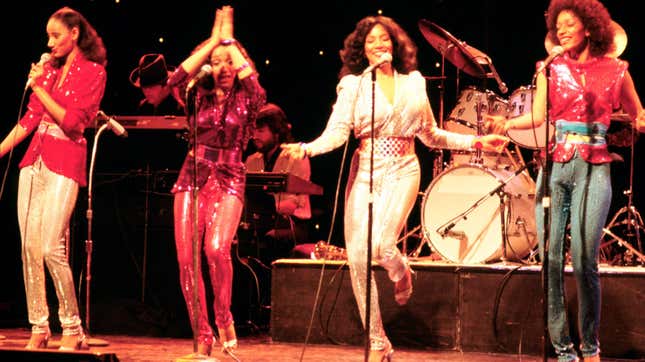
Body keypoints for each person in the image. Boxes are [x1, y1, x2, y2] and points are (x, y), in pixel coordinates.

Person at [281, 15, 508, 361]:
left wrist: (478, 142)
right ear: (362, 49)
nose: (379, 45)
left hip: (403, 168)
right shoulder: (353, 86)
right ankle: (377, 343)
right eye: (371, 41)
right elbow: (338, 133)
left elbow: (431, 136)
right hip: (366, 172)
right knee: (358, 258)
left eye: (384, 40)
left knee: (384, 245)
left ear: (395, 45)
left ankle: (402, 272)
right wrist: (307, 148)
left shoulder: (414, 83)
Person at [486, 1, 645, 360]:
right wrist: (508, 124)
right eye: (558, 26)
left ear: (590, 28)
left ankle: (590, 346)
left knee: (587, 257)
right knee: (552, 259)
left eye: (570, 24)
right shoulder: (550, 68)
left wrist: (639, 122)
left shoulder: (617, 70)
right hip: (555, 167)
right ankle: (563, 349)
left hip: (595, 167)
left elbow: (637, 113)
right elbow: (539, 114)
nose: (563, 31)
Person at [0, 7, 107, 350]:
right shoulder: (50, 71)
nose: (50, 43)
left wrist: (39, 84)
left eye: (56, 35)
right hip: (35, 160)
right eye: (48, 36)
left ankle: (72, 327)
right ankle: (39, 325)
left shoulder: (93, 72)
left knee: (50, 247)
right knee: (29, 248)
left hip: (65, 158)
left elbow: (73, 122)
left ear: (75, 33)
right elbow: (31, 119)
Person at [166, 5, 265, 357]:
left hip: (230, 178)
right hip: (192, 176)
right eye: (217, 62)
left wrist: (228, 36)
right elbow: (174, 79)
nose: (224, 68)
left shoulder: (250, 97)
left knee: (216, 249)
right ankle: (203, 337)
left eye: (229, 61)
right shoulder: (195, 94)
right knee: (186, 259)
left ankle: (224, 317)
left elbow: (250, 76)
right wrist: (212, 42)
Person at [244, 102, 312, 262]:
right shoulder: (251, 160)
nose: (255, 136)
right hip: (259, 222)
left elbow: (293, 204)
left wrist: (263, 211)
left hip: (292, 224)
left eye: (261, 131)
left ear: (276, 132)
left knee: (269, 240)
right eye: (253, 131)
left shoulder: (296, 156)